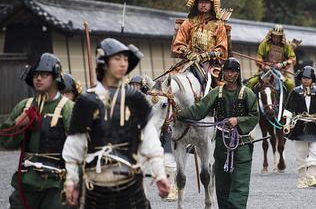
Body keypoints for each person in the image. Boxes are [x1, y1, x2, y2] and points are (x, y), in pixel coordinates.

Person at [62, 38, 169, 208]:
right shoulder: (86, 101)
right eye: (117, 59)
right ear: (104, 63)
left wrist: (159, 174)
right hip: (95, 187)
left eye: (126, 59)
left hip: (131, 185)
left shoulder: (136, 99)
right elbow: (74, 146)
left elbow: (151, 141)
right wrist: (71, 180)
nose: (123, 64)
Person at [177, 58, 259, 209]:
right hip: (221, 145)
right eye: (226, 71)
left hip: (241, 145)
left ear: (238, 73)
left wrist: (238, 120)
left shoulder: (247, 93)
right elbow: (199, 109)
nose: (229, 74)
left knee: (239, 187)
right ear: (223, 73)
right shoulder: (217, 93)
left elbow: (255, 116)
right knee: (221, 187)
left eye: (233, 71)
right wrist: (178, 115)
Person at [0, 53, 74, 208]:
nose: (38, 79)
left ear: (55, 77)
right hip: (26, 180)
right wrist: (19, 123)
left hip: (56, 182)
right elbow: (5, 141)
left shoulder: (68, 108)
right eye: (35, 75)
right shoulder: (25, 106)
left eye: (44, 75)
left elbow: (79, 148)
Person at [283, 66, 316, 189]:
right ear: (300, 78)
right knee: (300, 153)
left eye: (308, 78)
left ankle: (312, 177)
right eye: (303, 78)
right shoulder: (295, 92)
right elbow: (289, 109)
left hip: (315, 125)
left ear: (312, 79)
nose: (306, 80)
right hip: (300, 124)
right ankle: (302, 179)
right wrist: (287, 123)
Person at [171, 0, 228, 64]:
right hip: (190, 61)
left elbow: (222, 49)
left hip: (211, 64)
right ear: (196, 4)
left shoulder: (219, 25)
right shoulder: (188, 22)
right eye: (200, 2)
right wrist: (189, 54)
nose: (203, 5)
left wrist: (207, 55)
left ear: (212, 4)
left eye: (207, 2)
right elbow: (178, 44)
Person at [246, 24, 296, 93]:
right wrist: (264, 66)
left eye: (278, 37)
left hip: (280, 72)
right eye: (274, 36)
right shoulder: (264, 43)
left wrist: (282, 64)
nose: (276, 39)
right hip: (264, 71)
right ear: (271, 35)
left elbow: (292, 58)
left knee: (290, 85)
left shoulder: (286, 45)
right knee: (251, 82)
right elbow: (259, 58)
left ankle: (290, 103)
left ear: (281, 37)